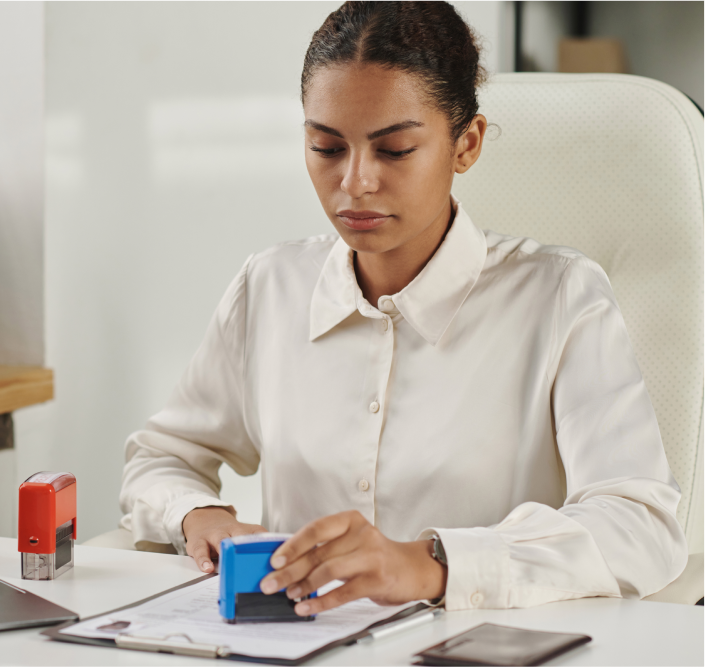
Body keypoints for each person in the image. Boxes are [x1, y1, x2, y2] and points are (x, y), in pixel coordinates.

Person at [119, 0, 687, 613]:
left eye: (393, 151)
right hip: (295, 645)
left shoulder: (560, 296)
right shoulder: (271, 287)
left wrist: (432, 566)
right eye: (327, 147)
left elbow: (641, 528)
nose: (355, 182)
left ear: (465, 145)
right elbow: (161, 458)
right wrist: (195, 513)